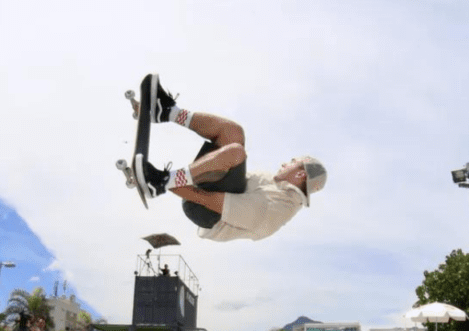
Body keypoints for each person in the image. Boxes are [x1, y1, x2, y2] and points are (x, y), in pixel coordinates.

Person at [135, 75, 327, 242]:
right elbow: (224, 168)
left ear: (301, 173)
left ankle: (160, 182)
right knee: (234, 133)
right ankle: (167, 111)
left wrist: (164, 185)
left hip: (208, 214)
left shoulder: (276, 209)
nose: (285, 163)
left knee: (236, 152)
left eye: (293, 162)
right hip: (212, 192)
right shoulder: (270, 181)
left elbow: (209, 201)